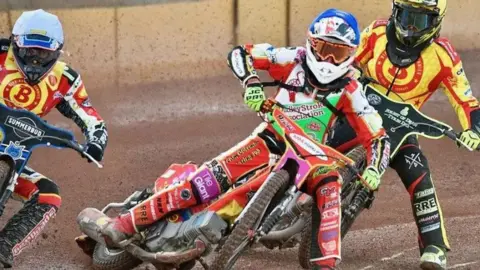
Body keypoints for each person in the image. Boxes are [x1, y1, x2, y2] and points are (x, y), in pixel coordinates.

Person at [78, 9, 389, 269]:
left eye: (338, 53)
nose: (328, 60)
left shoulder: (351, 90)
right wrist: (251, 81)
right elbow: (241, 53)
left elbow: (378, 136)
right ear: (310, 44)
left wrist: (375, 169)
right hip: (270, 139)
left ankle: (323, 259)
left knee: (327, 187)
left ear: (351, 56)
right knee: (200, 184)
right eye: (323, 49)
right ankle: (124, 225)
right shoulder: (291, 58)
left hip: (310, 157)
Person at [328, 0, 480, 269]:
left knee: (419, 174)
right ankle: (258, 199)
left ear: (434, 23)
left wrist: (474, 130)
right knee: (310, 144)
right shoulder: (374, 32)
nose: (410, 26)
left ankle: (433, 246)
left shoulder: (444, 56)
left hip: (400, 129)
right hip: (358, 115)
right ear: (395, 11)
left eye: (419, 20)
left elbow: (466, 100)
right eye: (406, 16)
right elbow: (346, 63)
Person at [0, 9, 108, 268]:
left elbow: (90, 115)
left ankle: (5, 247)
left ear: (57, 52)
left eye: (43, 53)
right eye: (30, 52)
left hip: (14, 155)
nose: (35, 60)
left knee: (49, 195)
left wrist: (96, 142)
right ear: (16, 44)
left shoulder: (65, 79)